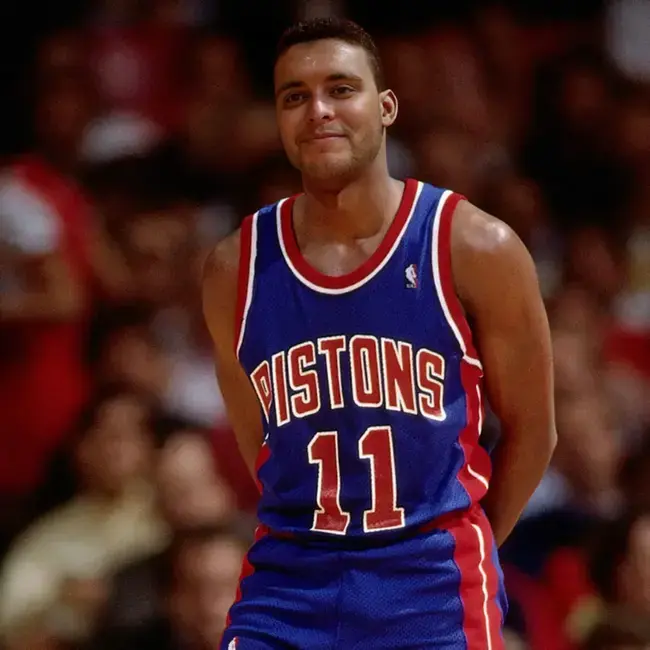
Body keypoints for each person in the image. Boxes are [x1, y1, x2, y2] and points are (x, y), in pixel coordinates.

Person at [202, 17, 556, 650]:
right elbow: (260, 444)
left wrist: (468, 541)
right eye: (295, 96)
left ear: (386, 106)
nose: (318, 110)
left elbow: (534, 431)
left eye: (341, 89)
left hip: (431, 587)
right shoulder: (235, 268)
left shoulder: (476, 246)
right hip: (288, 586)